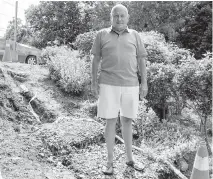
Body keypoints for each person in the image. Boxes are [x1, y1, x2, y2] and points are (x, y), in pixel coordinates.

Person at [91, 4, 148, 175]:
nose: (119, 18)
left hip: (131, 84)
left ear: (128, 17)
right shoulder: (101, 35)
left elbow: (142, 60)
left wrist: (144, 83)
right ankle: (109, 162)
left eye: (122, 15)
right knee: (110, 121)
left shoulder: (135, 35)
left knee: (127, 121)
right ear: (111, 18)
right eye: (116, 15)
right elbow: (95, 61)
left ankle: (129, 159)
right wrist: (94, 83)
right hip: (108, 84)